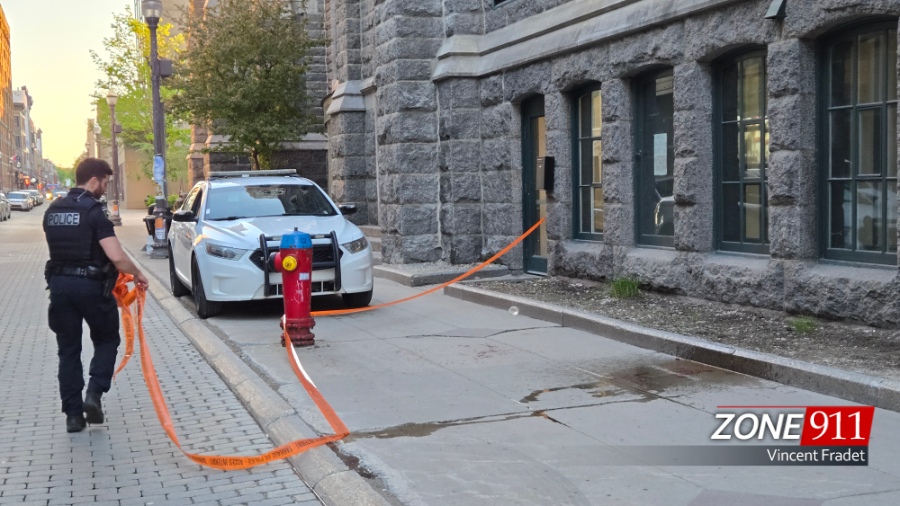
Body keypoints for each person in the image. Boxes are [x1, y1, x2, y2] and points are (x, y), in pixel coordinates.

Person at [43, 158, 149, 433]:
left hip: (59, 288)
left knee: (68, 351)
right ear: (94, 180)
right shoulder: (93, 212)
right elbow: (116, 256)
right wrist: (137, 274)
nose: (105, 187)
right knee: (106, 339)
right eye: (104, 182)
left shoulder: (52, 210)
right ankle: (94, 393)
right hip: (91, 288)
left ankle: (73, 417)